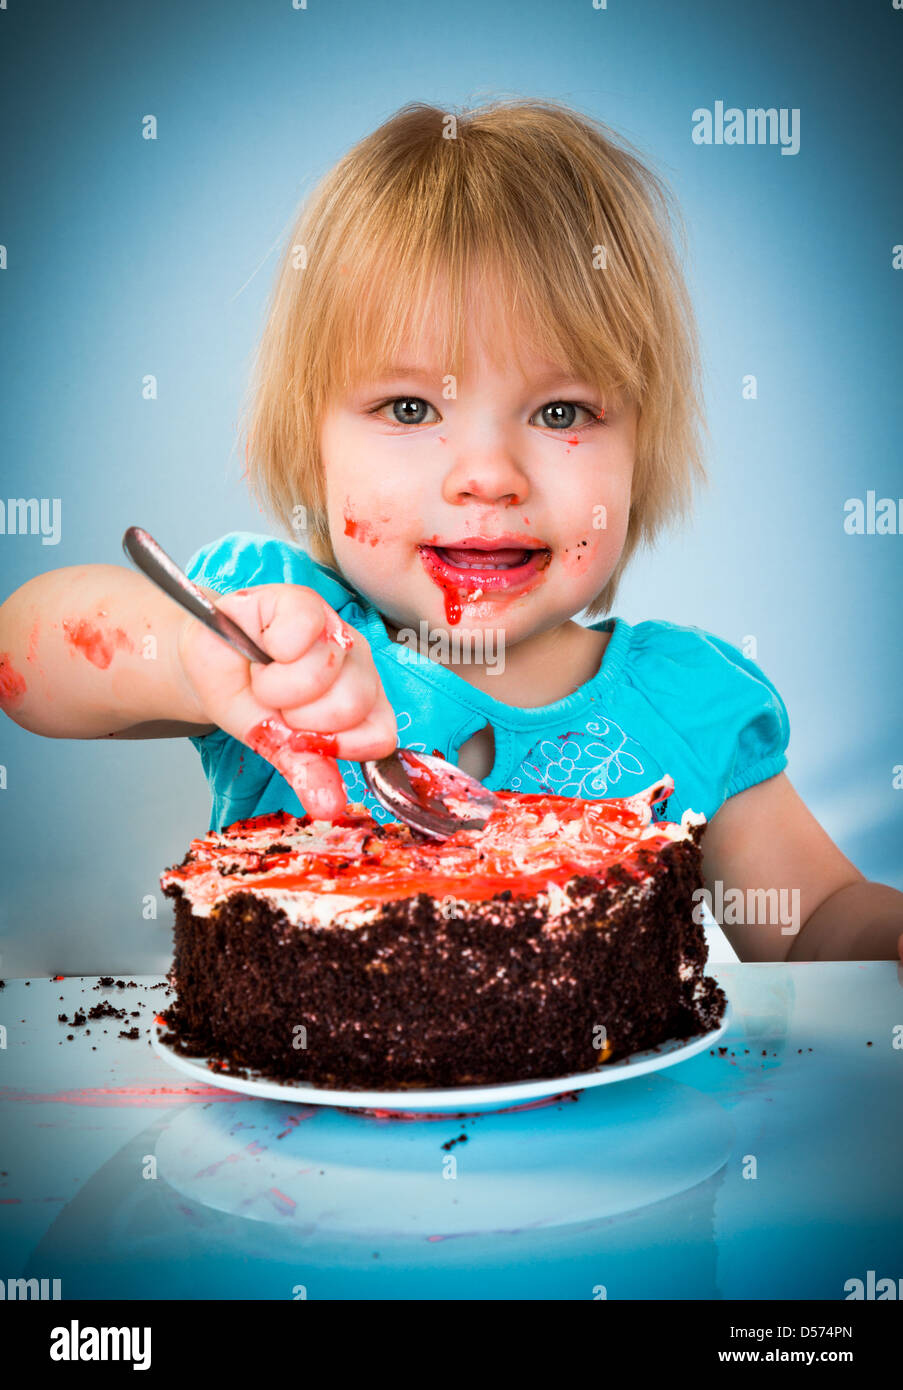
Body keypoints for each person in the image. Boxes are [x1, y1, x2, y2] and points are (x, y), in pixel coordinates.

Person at [2, 99, 900, 962]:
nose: (486, 476)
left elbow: (816, 918)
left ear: (640, 449)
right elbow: (27, 663)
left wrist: (875, 936)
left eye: (558, 412)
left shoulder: (684, 703)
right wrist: (189, 654)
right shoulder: (276, 642)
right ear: (310, 445)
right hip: (291, 1121)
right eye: (408, 406)